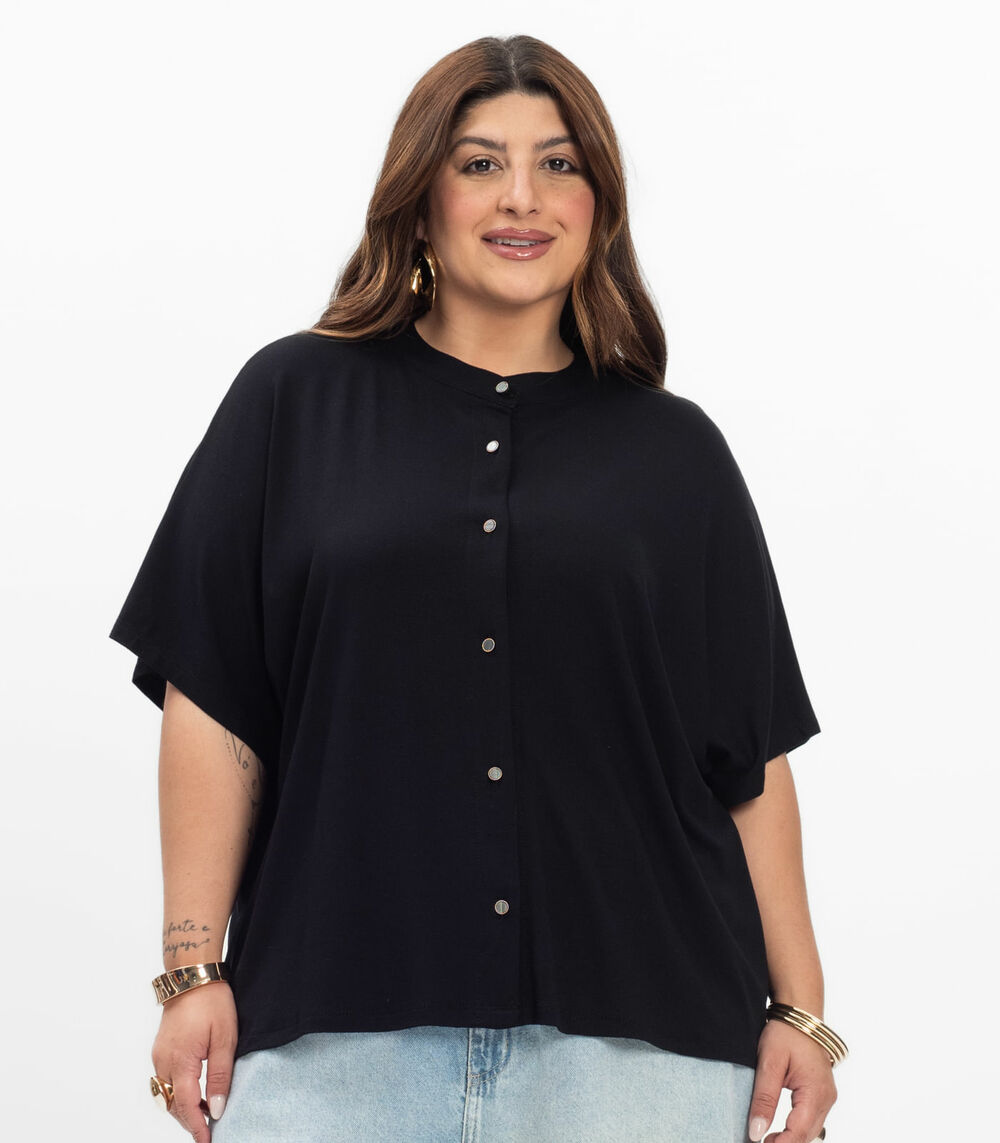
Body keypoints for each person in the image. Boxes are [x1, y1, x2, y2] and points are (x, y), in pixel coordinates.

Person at [110, 33, 847, 1143]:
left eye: (559, 164)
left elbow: (746, 758)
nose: (521, 198)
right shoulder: (293, 401)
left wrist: (801, 1008)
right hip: (335, 1045)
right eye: (479, 163)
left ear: (599, 206)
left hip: (637, 1057)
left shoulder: (675, 452)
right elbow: (214, 704)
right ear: (420, 200)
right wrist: (191, 970)